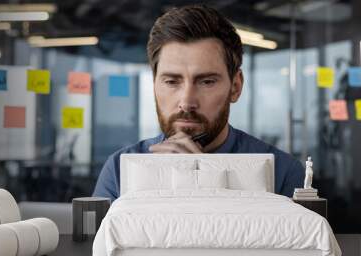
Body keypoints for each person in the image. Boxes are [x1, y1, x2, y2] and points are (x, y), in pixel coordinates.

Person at [93, 4, 304, 202]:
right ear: (155, 85)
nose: (186, 102)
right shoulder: (121, 171)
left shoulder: (281, 173)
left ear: (235, 87)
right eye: (172, 81)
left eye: (206, 82)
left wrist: (204, 185)